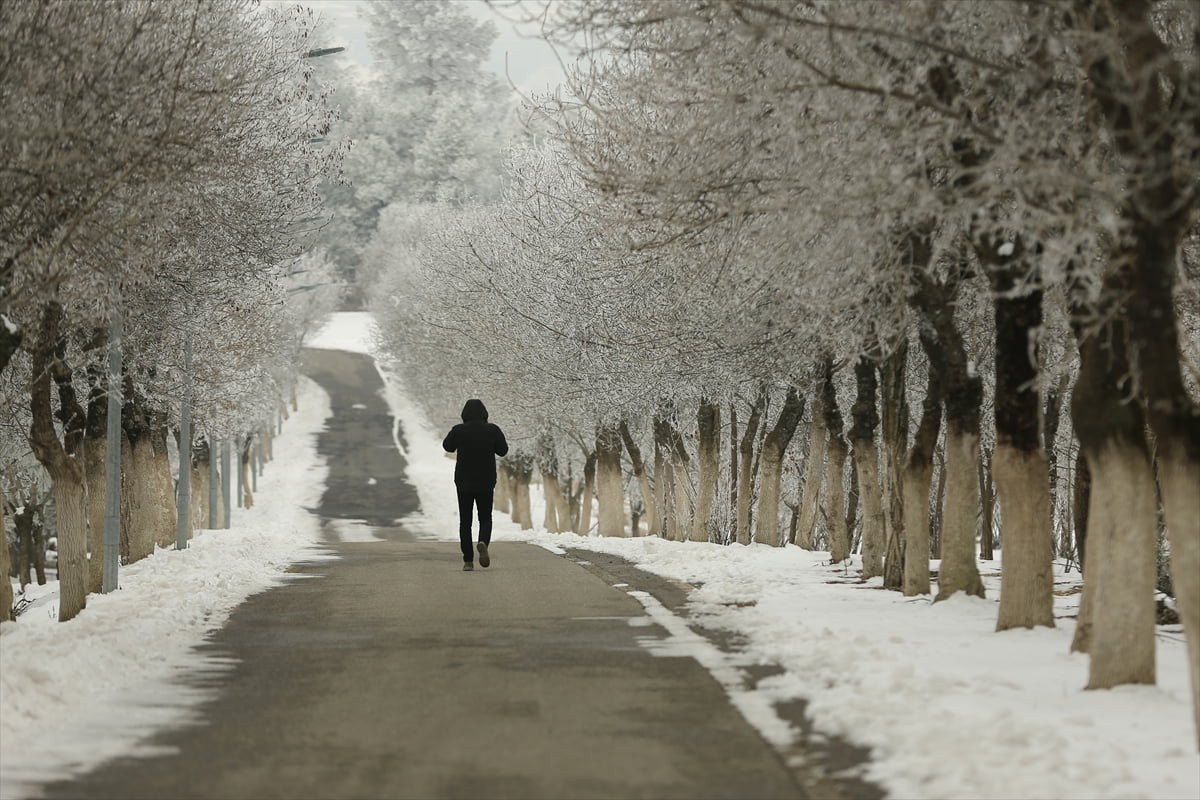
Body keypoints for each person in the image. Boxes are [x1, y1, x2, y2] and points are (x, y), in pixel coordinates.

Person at [442, 399, 508, 571]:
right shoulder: (492, 430)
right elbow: (503, 450)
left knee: (465, 521)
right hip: (486, 481)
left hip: (464, 482)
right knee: (485, 517)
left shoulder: (458, 430)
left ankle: (468, 561)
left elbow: (447, 446)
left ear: (464, 414)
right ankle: (482, 542)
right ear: (484, 414)